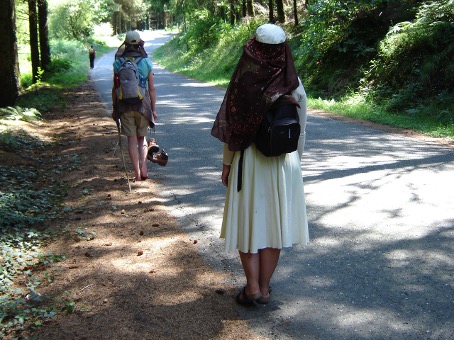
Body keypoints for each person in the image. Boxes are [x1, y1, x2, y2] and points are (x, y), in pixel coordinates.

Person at [211, 23, 309, 305]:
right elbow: (300, 130)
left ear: (253, 47)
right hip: (284, 164)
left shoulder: (245, 81)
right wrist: (296, 165)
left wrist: (227, 164)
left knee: (248, 223)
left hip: (248, 162)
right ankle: (265, 289)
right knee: (274, 226)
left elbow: (233, 127)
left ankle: (252, 287)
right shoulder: (294, 83)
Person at [112, 31, 157, 181]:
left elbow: (115, 88)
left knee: (131, 139)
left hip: (124, 105)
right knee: (141, 139)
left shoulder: (118, 63)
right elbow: (151, 88)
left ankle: (136, 173)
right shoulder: (146, 62)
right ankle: (144, 169)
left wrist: (114, 109)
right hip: (143, 105)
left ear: (125, 43)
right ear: (139, 43)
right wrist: (154, 109)